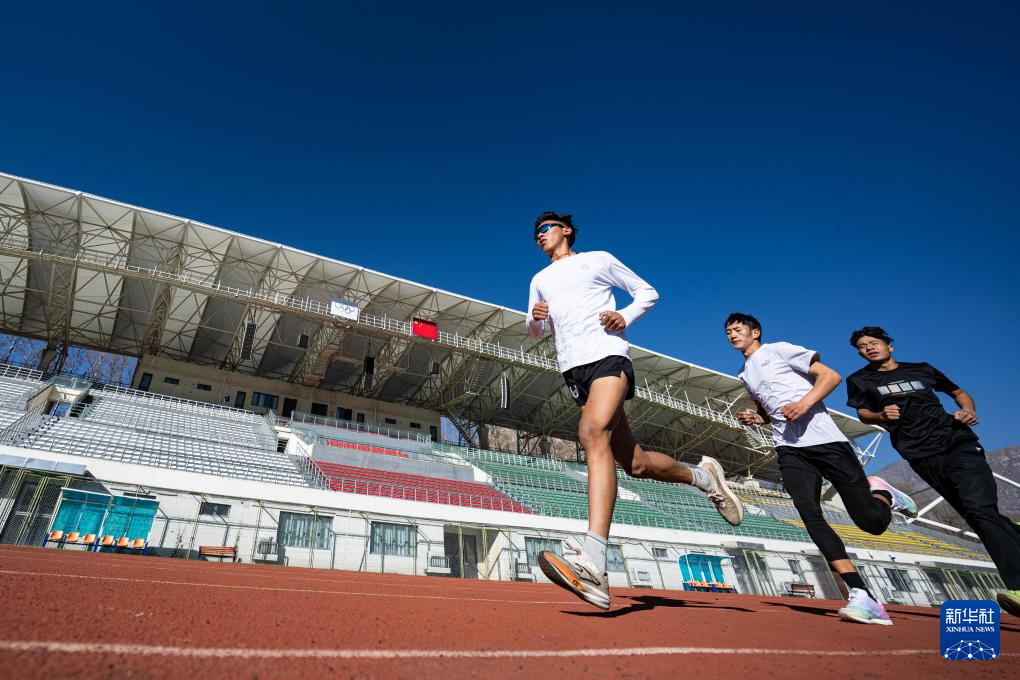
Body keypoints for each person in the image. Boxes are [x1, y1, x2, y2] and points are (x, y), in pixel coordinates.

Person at [527, 211, 743, 610]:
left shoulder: (598, 259)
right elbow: (536, 329)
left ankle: (594, 559)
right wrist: (536, 319)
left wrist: (623, 316)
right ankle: (704, 477)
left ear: (566, 230)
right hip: (572, 368)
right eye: (535, 233)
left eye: (545, 228)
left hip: (608, 355)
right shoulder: (539, 279)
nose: (539, 235)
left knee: (591, 433)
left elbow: (647, 292)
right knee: (636, 464)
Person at [726, 312, 916, 625]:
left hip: (827, 442)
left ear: (755, 332)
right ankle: (861, 595)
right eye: (728, 332)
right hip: (789, 448)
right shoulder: (744, 373)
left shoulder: (779, 350)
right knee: (809, 514)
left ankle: (883, 493)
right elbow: (768, 409)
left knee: (871, 523)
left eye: (738, 329)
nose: (733, 335)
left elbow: (830, 376)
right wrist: (757, 418)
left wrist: (803, 404)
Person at [846, 326, 1020, 617]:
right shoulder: (859, 380)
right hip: (919, 454)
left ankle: (1017, 585)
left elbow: (958, 393)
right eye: (862, 347)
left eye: (874, 342)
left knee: (980, 510)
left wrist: (968, 410)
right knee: (977, 515)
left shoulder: (921, 369)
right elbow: (862, 413)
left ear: (889, 345)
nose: (869, 348)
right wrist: (880, 415)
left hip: (958, 445)